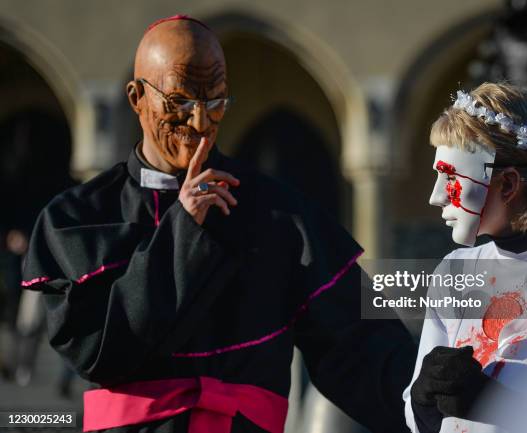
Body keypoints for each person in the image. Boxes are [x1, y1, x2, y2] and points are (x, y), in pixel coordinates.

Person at [21, 15, 415, 433]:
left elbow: (356, 346)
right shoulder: (78, 218)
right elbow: (97, 350)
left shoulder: (276, 212)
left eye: (216, 102)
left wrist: (432, 391)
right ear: (137, 98)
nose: (200, 123)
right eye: (181, 103)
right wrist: (184, 228)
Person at [402, 82, 527, 433]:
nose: (436, 197)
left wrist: (495, 403)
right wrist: (422, 397)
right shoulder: (453, 272)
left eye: (450, 178)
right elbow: (418, 419)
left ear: (508, 185)